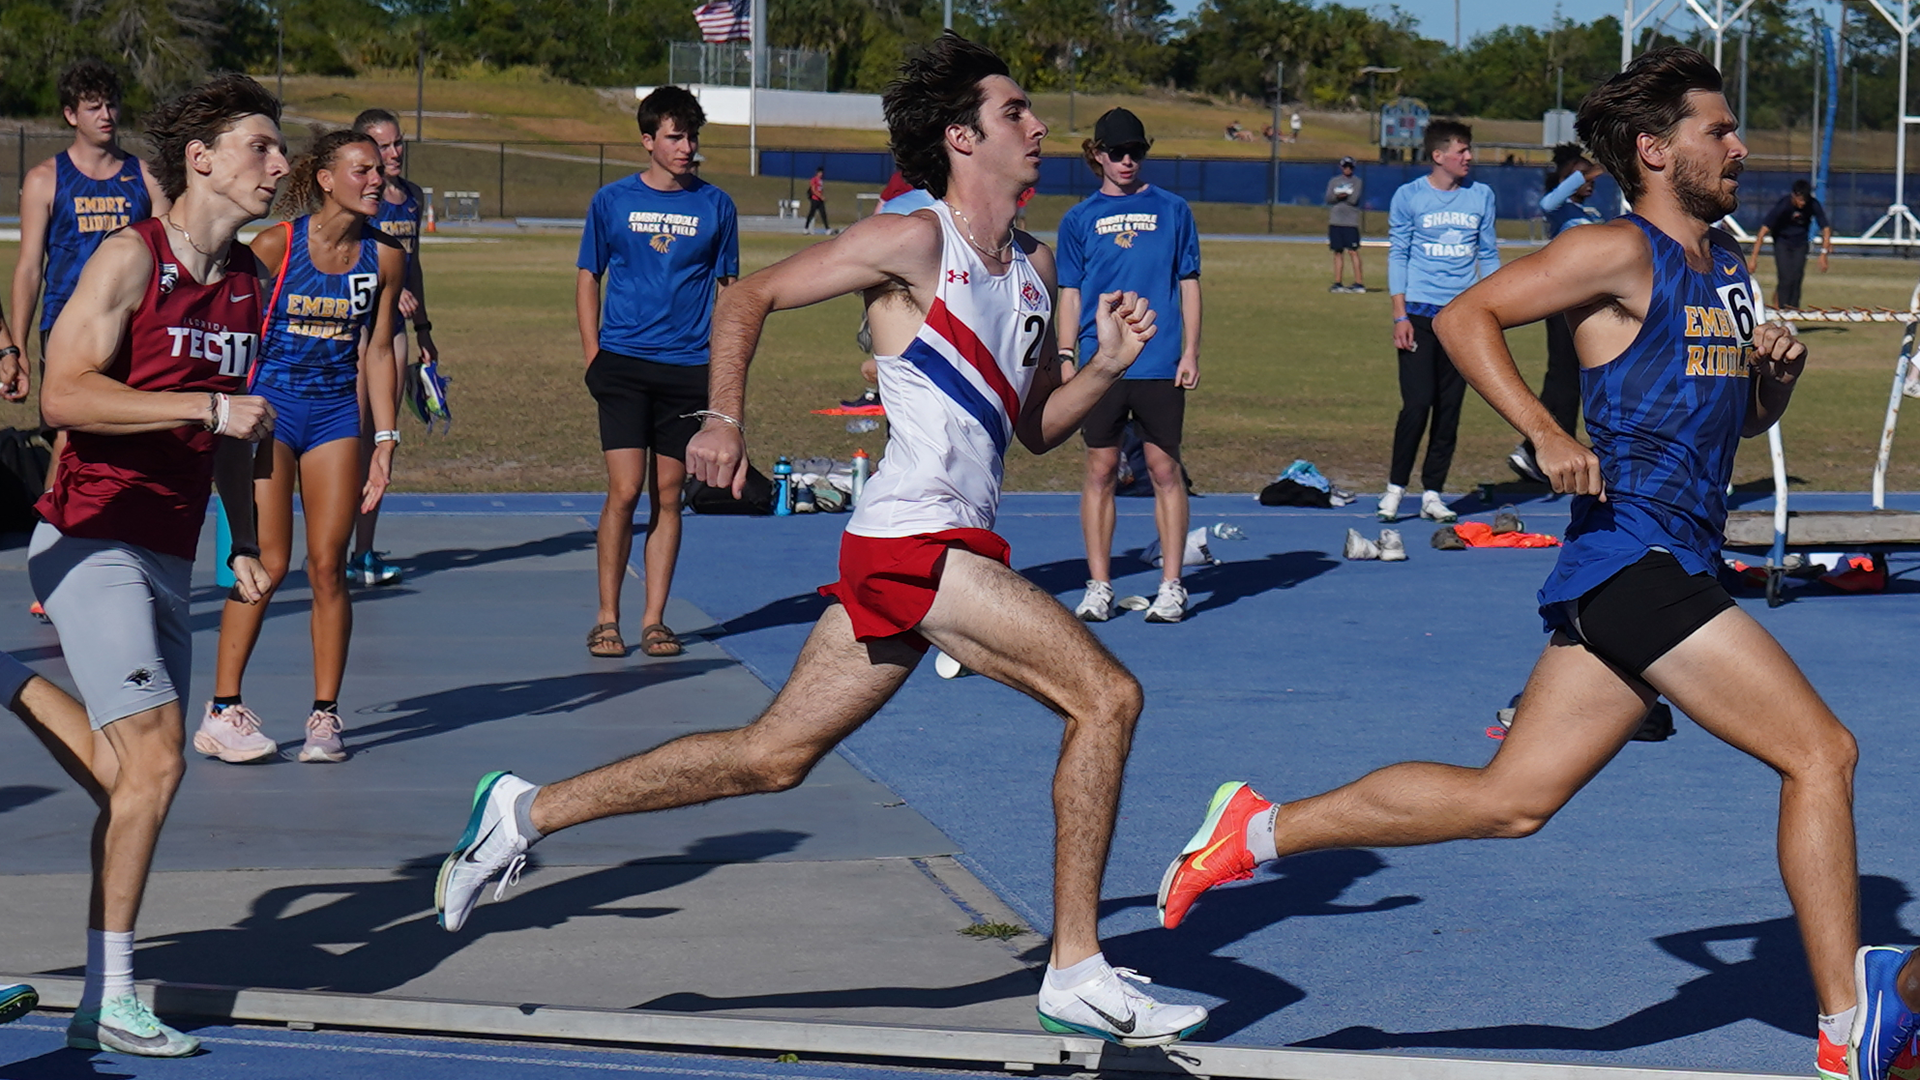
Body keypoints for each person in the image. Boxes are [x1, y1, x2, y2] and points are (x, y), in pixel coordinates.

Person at [434, 32, 1207, 1049]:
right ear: (962, 136)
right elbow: (747, 295)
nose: (1039, 126)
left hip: (943, 546)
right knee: (1106, 696)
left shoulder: (1033, 266)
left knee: (770, 757)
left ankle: (523, 813)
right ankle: (1076, 966)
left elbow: (1035, 427)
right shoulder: (912, 240)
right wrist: (724, 419)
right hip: (913, 543)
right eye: (1017, 112)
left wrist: (1104, 366)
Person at [1156, 47, 1880, 1080]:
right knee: (1823, 754)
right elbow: (1463, 315)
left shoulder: (1727, 264)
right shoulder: (1618, 251)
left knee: (1511, 800)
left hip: (1662, 564)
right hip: (1632, 562)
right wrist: (1543, 429)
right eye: (1718, 131)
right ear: (1654, 150)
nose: (1740, 146)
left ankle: (1256, 830)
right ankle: (1848, 1024)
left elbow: (1735, 419)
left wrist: (1779, 382)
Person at [32, 73, 283, 1056]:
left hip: (169, 551)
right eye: (260, 146)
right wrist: (200, 408)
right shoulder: (128, 262)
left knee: (129, 772)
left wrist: (246, 541)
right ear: (203, 159)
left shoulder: (250, 282)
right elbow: (63, 394)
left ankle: (10, 683)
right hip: (91, 536)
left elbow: (234, 432)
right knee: (163, 760)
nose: (276, 164)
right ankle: (112, 998)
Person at [198, 130, 405, 767]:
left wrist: (385, 441)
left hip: (335, 414)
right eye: (362, 170)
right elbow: (229, 326)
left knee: (327, 566)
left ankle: (324, 716)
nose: (378, 181)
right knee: (269, 560)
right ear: (324, 178)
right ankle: (222, 707)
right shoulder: (276, 245)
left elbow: (375, 351)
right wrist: (224, 414)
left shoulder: (386, 258)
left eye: (380, 171)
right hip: (270, 413)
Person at [577, 86, 739, 659]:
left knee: (669, 496)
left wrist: (723, 377)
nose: (686, 147)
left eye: (692, 136)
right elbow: (587, 276)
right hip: (621, 366)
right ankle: (606, 617)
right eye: (675, 136)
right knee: (623, 492)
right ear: (648, 140)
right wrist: (594, 354)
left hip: (688, 371)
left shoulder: (718, 206)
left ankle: (654, 620)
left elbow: (730, 296)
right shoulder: (611, 201)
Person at [1059, 108, 1202, 625]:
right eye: (1116, 152)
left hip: (1159, 361)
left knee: (1165, 470)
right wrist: (1067, 356)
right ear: (1096, 154)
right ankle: (1099, 585)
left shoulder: (1173, 209)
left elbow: (1188, 281)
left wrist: (1190, 351)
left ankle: (1172, 585)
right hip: (1101, 364)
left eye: (1135, 152)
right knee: (1100, 470)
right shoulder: (1078, 219)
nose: (1126, 161)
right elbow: (1071, 294)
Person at [11, 59, 169, 493]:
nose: (106, 116)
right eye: (94, 107)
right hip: (67, 325)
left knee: (134, 433)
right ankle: (52, 533)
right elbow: (28, 268)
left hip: (135, 326)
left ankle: (121, 529)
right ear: (70, 115)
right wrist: (18, 348)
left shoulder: (147, 178)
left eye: (112, 105)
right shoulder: (46, 179)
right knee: (69, 432)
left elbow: (170, 257)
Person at [1377, 118, 1498, 525]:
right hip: (1418, 314)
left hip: (1462, 318)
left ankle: (1432, 491)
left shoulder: (1481, 196)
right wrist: (1399, 314)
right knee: (1417, 404)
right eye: (1461, 151)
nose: (1469, 157)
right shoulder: (1408, 196)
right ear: (1438, 155)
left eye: (1469, 150)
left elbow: (1489, 255)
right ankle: (1395, 488)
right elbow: (1399, 254)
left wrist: (1494, 308)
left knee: (1450, 408)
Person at [345, 108, 439, 588]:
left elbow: (413, 265)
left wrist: (424, 327)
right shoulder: (362, 197)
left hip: (396, 332)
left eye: (399, 143)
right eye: (383, 146)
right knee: (353, 437)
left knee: (384, 439)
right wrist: (385, 285)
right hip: (359, 327)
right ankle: (333, 545)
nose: (395, 153)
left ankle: (363, 551)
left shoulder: (412, 198)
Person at [1508, 144, 1607, 483]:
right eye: (1582, 177)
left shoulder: (1592, 216)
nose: (1591, 183)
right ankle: (1533, 447)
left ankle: (1545, 449)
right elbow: (1547, 202)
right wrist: (1583, 172)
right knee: (1561, 380)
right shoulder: (1559, 210)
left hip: (1588, 310)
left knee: (1578, 382)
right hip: (1563, 306)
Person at [1749, 178, 1831, 311]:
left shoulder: (1813, 204)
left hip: (1800, 243)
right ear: (1794, 196)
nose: (1802, 203)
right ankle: (1781, 311)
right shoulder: (1784, 205)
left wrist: (1823, 254)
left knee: (1797, 277)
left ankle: (1792, 313)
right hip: (1782, 243)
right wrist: (1753, 259)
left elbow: (1826, 228)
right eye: (1800, 200)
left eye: (1805, 200)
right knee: (1786, 277)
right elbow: (1763, 231)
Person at [1325, 156, 1364, 293]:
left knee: (1353, 251)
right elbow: (1329, 198)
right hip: (1336, 221)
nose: (1348, 169)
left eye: (1350, 167)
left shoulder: (1357, 182)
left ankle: (1359, 283)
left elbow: (1354, 199)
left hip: (1350, 222)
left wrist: (1342, 196)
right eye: (1345, 166)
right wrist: (1339, 196)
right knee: (1337, 252)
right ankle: (1338, 282)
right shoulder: (1334, 181)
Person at [805, 165, 830, 234]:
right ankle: (806, 228)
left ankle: (827, 229)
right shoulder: (814, 180)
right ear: (817, 173)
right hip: (815, 199)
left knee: (823, 214)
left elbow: (820, 189)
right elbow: (813, 190)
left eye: (822, 173)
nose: (821, 174)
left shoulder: (821, 181)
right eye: (820, 173)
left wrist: (821, 197)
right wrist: (820, 196)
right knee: (811, 214)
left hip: (820, 200)